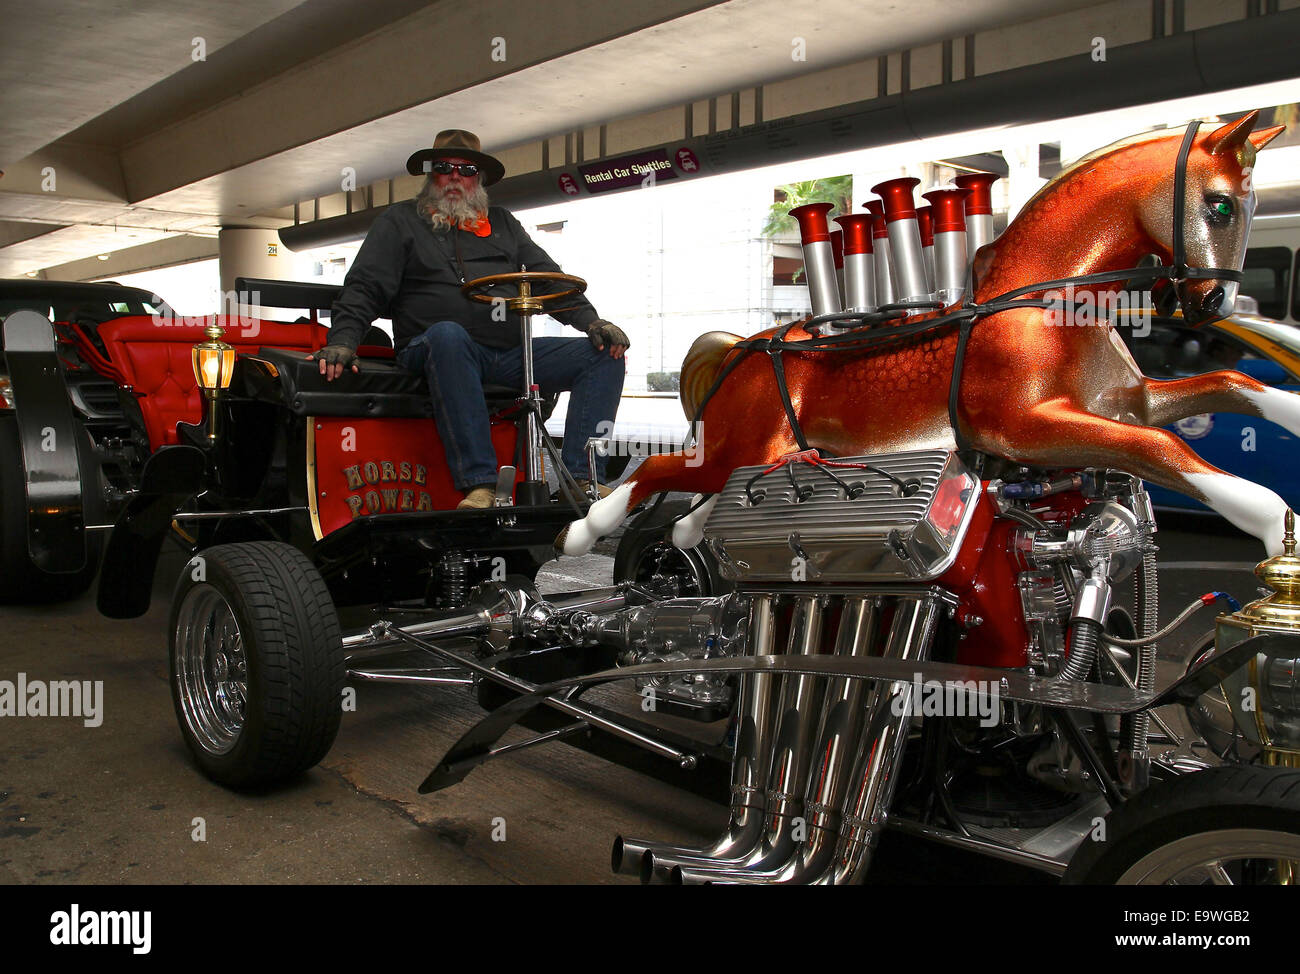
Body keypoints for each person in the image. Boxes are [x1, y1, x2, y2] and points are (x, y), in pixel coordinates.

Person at [311, 129, 628, 509]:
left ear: (478, 178)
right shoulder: (399, 222)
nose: (456, 176)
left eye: (467, 169)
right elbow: (365, 287)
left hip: (507, 354)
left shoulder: (504, 224)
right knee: (449, 335)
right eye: (445, 168)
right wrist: (343, 340)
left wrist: (591, 322)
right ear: (431, 175)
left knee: (602, 355)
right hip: (429, 350)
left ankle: (583, 479)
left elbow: (546, 278)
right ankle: (480, 484)